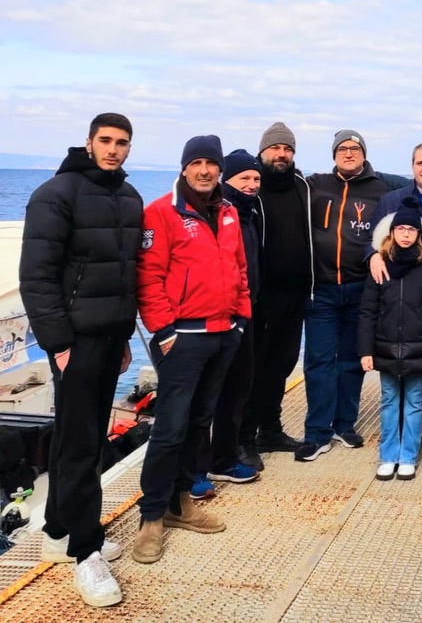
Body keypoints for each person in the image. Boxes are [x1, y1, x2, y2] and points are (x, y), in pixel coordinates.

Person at [19, 113, 142, 607]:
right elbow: (37, 276)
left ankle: (57, 531)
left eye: (122, 143)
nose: (113, 149)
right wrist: (59, 344)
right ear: (89, 142)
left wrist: (126, 335)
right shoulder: (56, 194)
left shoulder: (129, 197)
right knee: (79, 444)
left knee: (85, 437)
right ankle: (85, 551)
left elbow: (127, 274)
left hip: (112, 337)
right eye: (105, 140)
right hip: (76, 341)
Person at [133, 135, 251, 565]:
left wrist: (240, 319)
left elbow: (238, 268)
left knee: (200, 422)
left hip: (223, 332)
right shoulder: (161, 212)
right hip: (182, 337)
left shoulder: (229, 212)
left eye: (211, 164)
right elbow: (148, 277)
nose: (204, 170)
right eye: (196, 163)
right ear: (184, 168)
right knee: (170, 429)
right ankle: (151, 516)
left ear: (220, 169)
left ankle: (181, 502)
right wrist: (165, 332)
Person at [300, 131, 407, 461]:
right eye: (343, 149)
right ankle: (317, 432)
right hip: (321, 290)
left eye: (355, 148)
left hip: (361, 289)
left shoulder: (382, 189)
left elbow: (420, 192)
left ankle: (344, 424)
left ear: (364, 153)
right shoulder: (315, 185)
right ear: (334, 154)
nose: (349, 153)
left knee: (352, 361)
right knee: (319, 361)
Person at [358, 202, 422, 480]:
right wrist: (365, 350)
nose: (406, 234)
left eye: (411, 229)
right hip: (385, 347)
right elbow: (368, 311)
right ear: (392, 232)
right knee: (388, 401)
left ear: (419, 234)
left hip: (418, 348)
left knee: (413, 403)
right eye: (401, 229)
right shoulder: (379, 266)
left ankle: (407, 456)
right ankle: (388, 456)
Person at [194, 149, 264, 497]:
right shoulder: (217, 210)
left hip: (243, 314)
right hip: (210, 317)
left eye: (256, 178)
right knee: (205, 395)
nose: (251, 184)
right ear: (227, 180)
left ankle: (224, 458)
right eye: (244, 178)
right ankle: (195, 468)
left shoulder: (247, 214)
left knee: (237, 389)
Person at [240, 122, 311, 464]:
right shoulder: (253, 186)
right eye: (276, 148)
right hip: (262, 295)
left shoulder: (301, 185)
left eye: (288, 149)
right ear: (263, 151)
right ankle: (244, 437)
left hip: (296, 293)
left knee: (282, 364)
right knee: (256, 368)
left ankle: (270, 429)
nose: (282, 154)